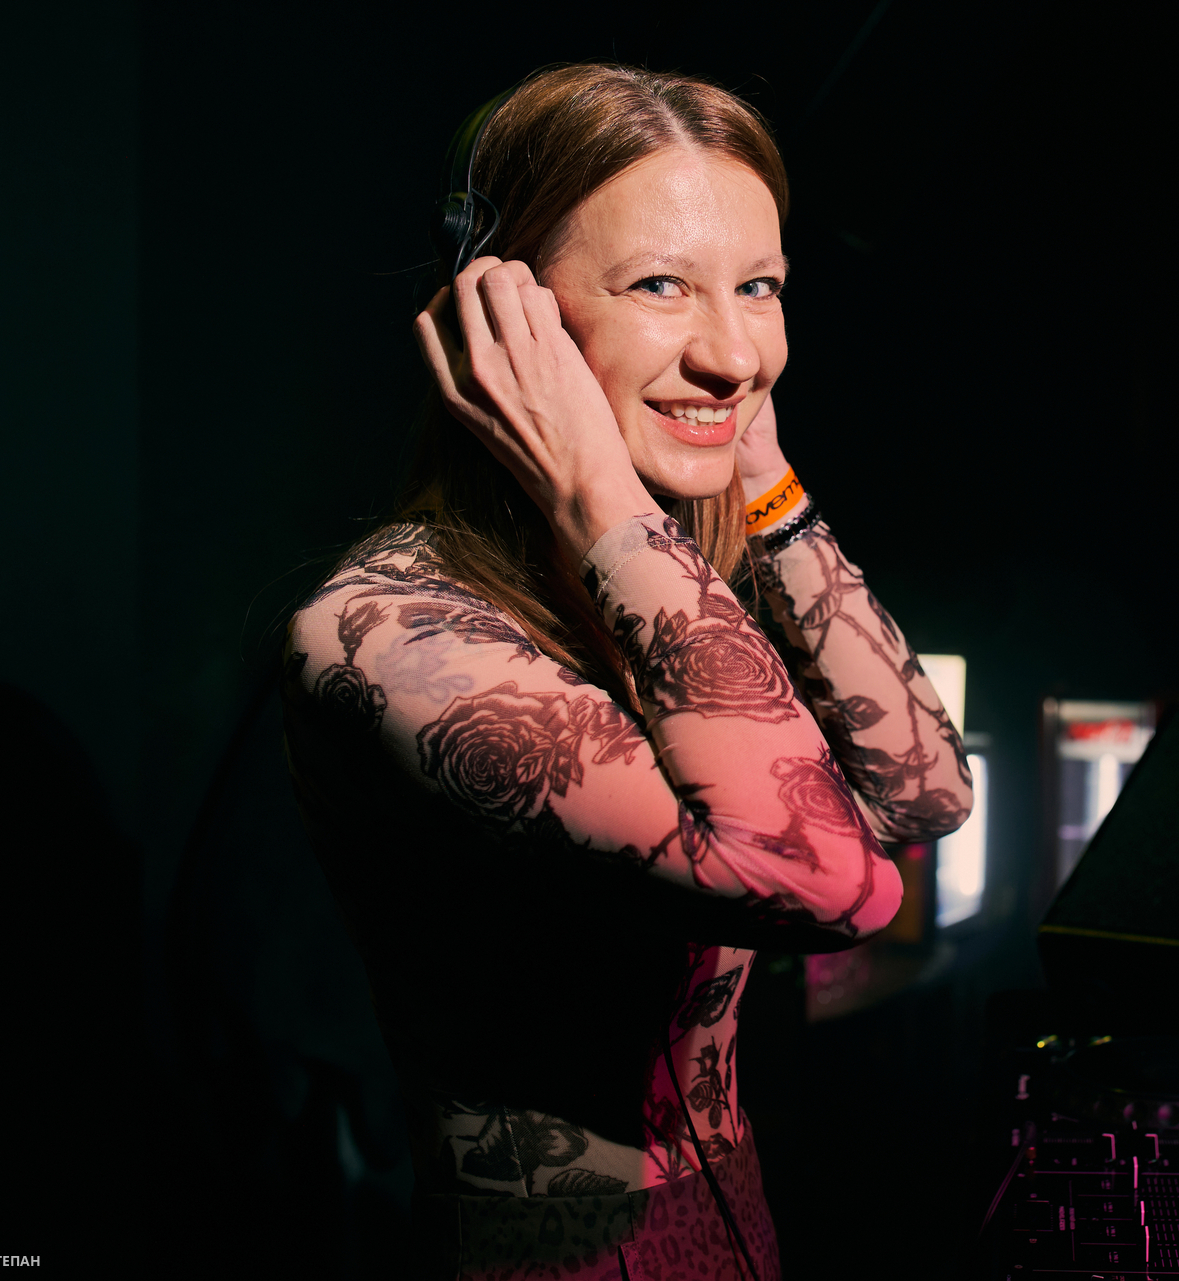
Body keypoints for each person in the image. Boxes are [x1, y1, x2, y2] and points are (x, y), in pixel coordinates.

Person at [281, 63, 973, 1281]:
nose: (733, 351)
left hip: (737, 1222)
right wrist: (597, 490)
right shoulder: (386, 630)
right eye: (661, 285)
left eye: (758, 287)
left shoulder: (666, 580)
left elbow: (926, 793)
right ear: (504, 311)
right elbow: (830, 887)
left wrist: (756, 466)